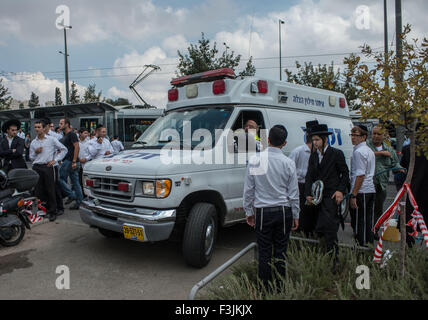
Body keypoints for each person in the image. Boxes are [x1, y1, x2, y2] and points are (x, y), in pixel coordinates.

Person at [243, 125, 299, 290]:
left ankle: (264, 288)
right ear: (284, 143)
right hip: (283, 210)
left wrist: (248, 211)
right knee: (281, 252)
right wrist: (296, 214)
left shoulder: (256, 160)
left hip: (262, 211)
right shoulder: (288, 163)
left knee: (264, 252)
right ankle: (280, 287)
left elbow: (248, 190)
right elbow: (293, 192)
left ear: (267, 140)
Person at [305, 123, 350, 273]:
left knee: (329, 227)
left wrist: (340, 191)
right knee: (317, 228)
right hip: (317, 196)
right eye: (313, 140)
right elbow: (309, 176)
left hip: (331, 196)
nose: (315, 142)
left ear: (325, 139)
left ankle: (334, 261)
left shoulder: (336, 154)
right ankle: (321, 256)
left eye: (317, 139)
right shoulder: (313, 155)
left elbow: (345, 174)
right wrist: (308, 194)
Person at [30, 119, 67, 221]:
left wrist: (55, 160)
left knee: (51, 190)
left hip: (47, 167)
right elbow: (31, 157)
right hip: (36, 167)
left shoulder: (51, 139)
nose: (37, 129)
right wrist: (35, 152)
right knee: (38, 191)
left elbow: (64, 149)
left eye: (39, 127)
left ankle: (53, 211)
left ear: (44, 128)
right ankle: (42, 210)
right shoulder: (34, 142)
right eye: (35, 127)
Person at [367, 125, 404, 225]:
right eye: (374, 133)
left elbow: (395, 163)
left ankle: (375, 228)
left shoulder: (389, 149)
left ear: (384, 135)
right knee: (367, 208)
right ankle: (365, 231)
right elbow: (363, 155)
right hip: (367, 183)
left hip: (382, 184)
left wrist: (399, 168)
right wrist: (380, 153)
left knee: (378, 208)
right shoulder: (366, 145)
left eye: (379, 134)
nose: (375, 136)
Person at [289, 120, 319, 236]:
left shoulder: (319, 153)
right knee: (302, 213)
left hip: (313, 187)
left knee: (312, 215)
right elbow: (290, 172)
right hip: (300, 186)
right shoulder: (298, 151)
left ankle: (310, 233)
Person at [400, 125, 428, 247]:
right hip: (425, 189)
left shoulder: (407, 149)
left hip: (412, 189)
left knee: (409, 218)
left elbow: (403, 166)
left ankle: (409, 245)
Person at [349, 125, 376, 246]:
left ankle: (363, 246)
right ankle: (368, 244)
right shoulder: (368, 150)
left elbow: (360, 175)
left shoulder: (359, 152)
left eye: (356, 135)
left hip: (362, 190)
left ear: (364, 137)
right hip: (369, 189)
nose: (353, 138)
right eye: (352, 135)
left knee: (361, 221)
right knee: (367, 220)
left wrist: (353, 194)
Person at [58, 118, 83, 210]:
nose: (59, 125)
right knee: (75, 183)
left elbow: (77, 147)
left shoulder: (71, 134)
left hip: (70, 161)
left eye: (61, 123)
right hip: (69, 161)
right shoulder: (66, 135)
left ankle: (72, 195)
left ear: (67, 124)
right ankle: (79, 202)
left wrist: (74, 161)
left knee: (59, 179)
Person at [43, 118, 65, 216]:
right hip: (44, 166)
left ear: (48, 126)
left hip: (53, 166)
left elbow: (63, 149)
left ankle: (60, 207)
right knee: (47, 188)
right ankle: (50, 207)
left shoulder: (56, 136)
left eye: (43, 126)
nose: (41, 129)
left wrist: (56, 159)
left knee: (56, 187)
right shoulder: (40, 136)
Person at [78, 127, 92, 197]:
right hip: (78, 164)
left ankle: (87, 195)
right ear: (80, 133)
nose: (86, 135)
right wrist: (78, 159)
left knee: (85, 181)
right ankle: (81, 195)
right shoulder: (76, 141)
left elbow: (91, 153)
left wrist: (86, 159)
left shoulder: (89, 142)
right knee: (79, 181)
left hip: (86, 164)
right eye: (85, 133)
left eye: (87, 133)